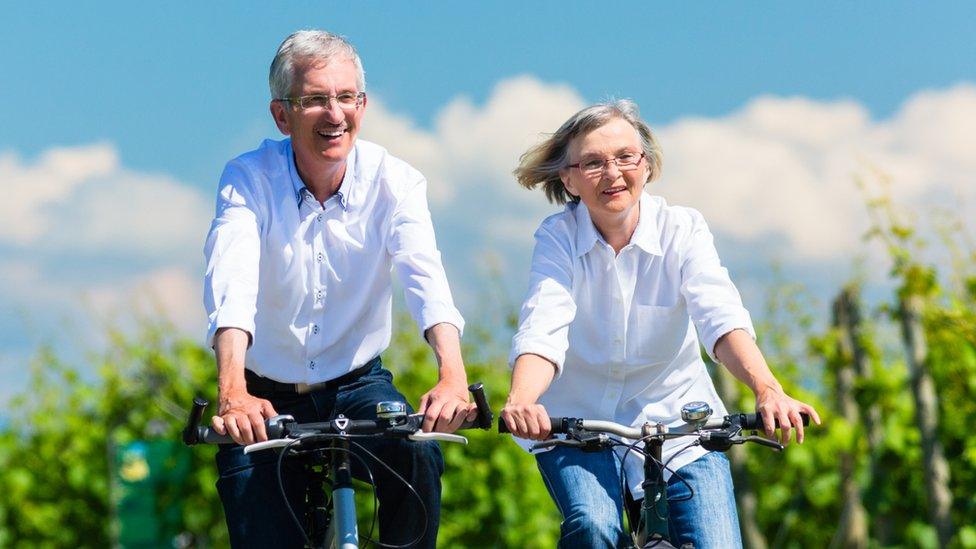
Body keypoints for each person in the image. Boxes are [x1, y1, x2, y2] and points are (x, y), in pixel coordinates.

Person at [499, 99, 821, 548]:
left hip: (681, 426)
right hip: (576, 427)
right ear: (569, 179)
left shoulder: (683, 229)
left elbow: (719, 313)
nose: (612, 173)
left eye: (624, 157)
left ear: (646, 166)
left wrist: (767, 388)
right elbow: (544, 321)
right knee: (594, 528)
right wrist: (523, 400)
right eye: (593, 163)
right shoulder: (558, 237)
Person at [203, 30, 475, 548]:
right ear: (282, 116)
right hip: (263, 392)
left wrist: (453, 376)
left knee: (417, 454)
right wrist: (233, 390)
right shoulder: (247, 178)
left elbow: (425, 278)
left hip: (358, 383)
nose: (335, 114)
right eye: (315, 99)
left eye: (346, 97)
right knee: (254, 515)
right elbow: (230, 280)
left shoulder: (396, 181)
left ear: (363, 105)